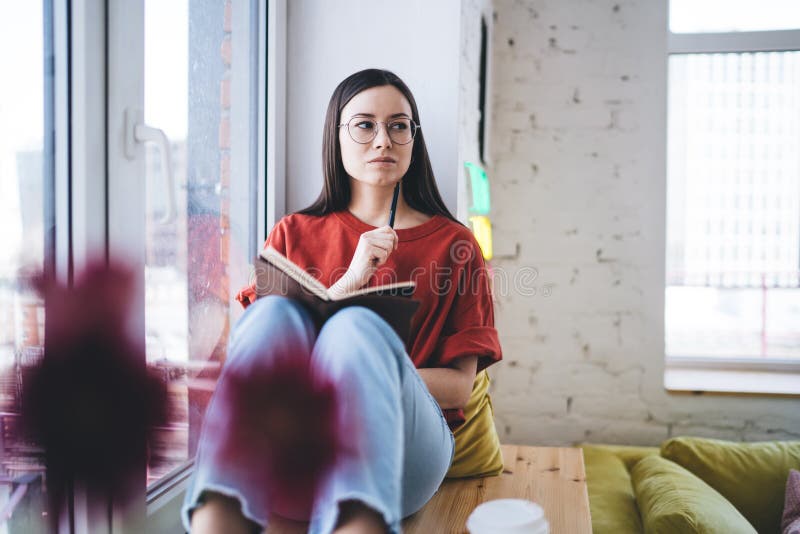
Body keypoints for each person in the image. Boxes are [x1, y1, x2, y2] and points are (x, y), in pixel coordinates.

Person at [183, 68, 503, 534]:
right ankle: (220, 513)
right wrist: (350, 282)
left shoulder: (455, 245)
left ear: (414, 139)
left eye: (398, 125)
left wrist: (366, 367)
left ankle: (359, 522)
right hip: (298, 455)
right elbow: (261, 365)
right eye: (365, 124)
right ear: (337, 136)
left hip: (405, 457)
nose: (383, 140)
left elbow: (458, 387)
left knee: (357, 330)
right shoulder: (292, 233)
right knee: (272, 312)